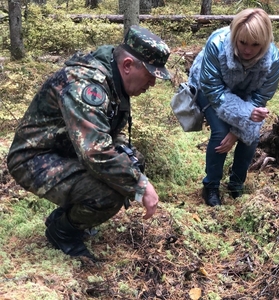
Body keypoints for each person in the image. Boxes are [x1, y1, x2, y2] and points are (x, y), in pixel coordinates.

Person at [7, 25, 171, 260]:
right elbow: (96, 152)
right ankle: (62, 232)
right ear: (127, 65)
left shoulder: (113, 80)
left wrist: (129, 160)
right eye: (150, 75)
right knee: (109, 193)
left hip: (67, 149)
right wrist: (140, 185)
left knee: (131, 163)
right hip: (33, 157)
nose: (152, 84)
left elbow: (113, 131)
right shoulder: (86, 84)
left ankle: (67, 215)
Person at [188, 8, 279, 206]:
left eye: (255, 45)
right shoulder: (217, 44)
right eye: (242, 42)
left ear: (265, 43)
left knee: (251, 136)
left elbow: (260, 97)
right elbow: (213, 89)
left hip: (246, 96)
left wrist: (239, 130)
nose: (248, 50)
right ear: (235, 36)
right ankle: (211, 187)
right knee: (221, 133)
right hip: (209, 88)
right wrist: (241, 119)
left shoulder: (273, 60)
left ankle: (236, 185)